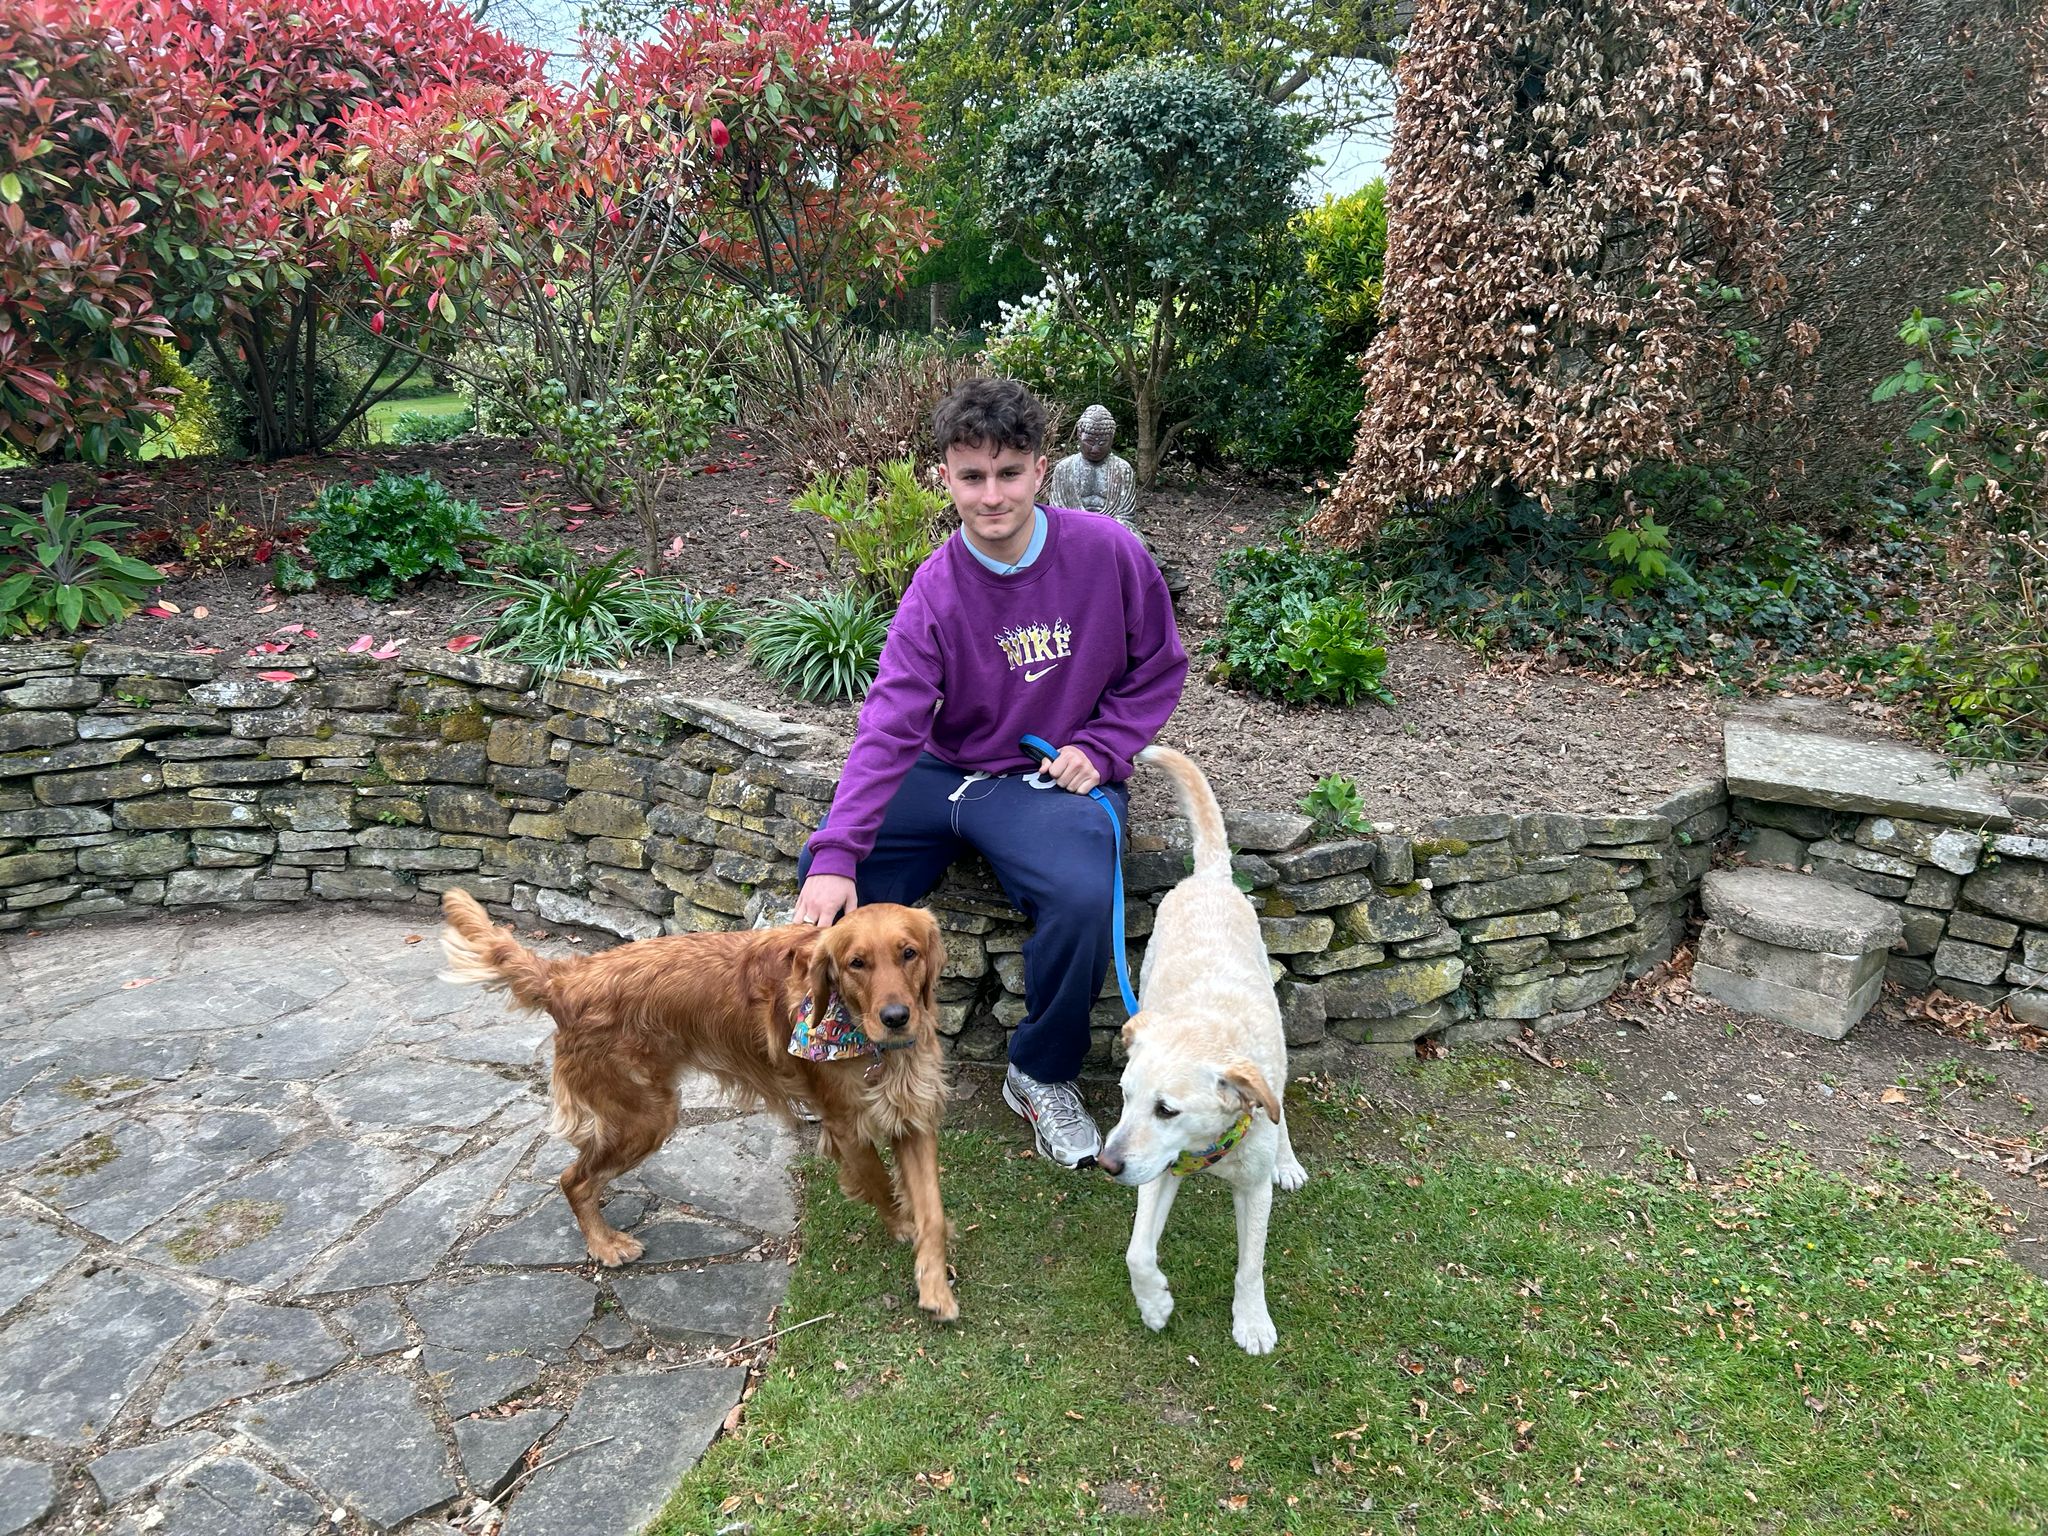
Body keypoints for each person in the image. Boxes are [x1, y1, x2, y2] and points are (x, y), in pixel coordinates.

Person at [793, 377, 1189, 1167]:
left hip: (1048, 781)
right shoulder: (935, 589)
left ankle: (1040, 1073)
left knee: (1081, 895)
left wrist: (1104, 746)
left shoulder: (1108, 553)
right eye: (972, 476)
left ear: (1041, 470)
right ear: (945, 478)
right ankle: (844, 1038)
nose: (992, 495)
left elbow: (1158, 667)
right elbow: (889, 723)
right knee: (828, 871)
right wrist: (837, 851)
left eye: (1009, 473)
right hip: (946, 773)